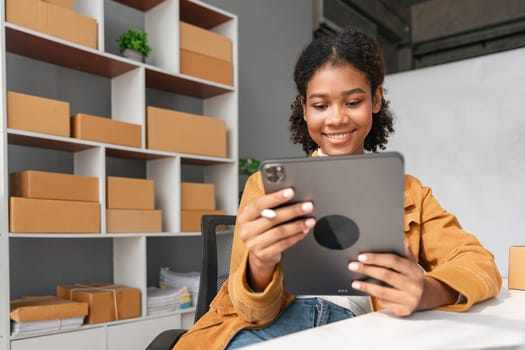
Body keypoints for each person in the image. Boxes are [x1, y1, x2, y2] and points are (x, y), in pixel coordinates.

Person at [175, 27, 502, 350]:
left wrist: (427, 290)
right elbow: (254, 311)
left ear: (376, 99)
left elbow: (478, 264)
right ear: (304, 109)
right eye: (320, 106)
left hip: (358, 331)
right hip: (273, 326)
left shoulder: (410, 193)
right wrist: (260, 266)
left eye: (353, 101)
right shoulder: (264, 187)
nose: (336, 119)